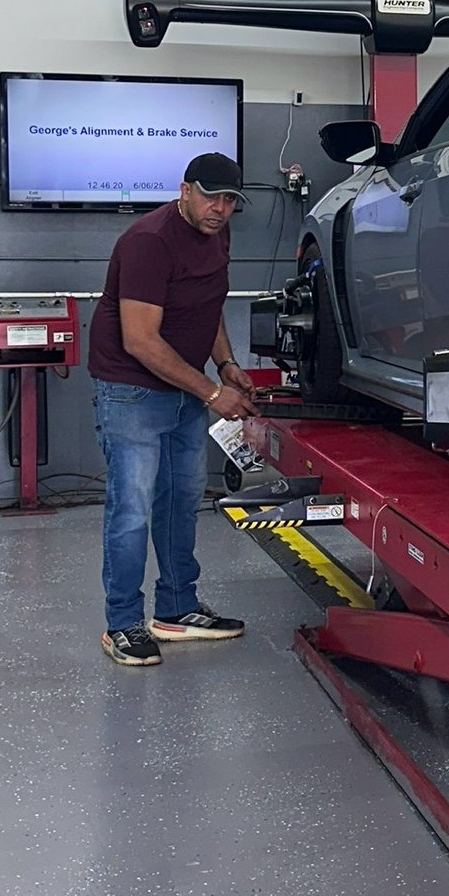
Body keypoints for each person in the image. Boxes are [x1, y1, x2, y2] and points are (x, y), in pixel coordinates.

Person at [87, 152, 260, 666]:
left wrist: (225, 363)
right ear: (184, 190)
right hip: (133, 390)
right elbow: (140, 341)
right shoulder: (148, 242)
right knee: (132, 509)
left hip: (185, 387)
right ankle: (122, 624)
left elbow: (207, 306)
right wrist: (212, 393)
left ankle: (177, 610)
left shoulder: (215, 233)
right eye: (210, 195)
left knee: (180, 500)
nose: (220, 208)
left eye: (229, 200)